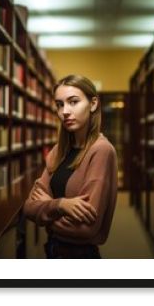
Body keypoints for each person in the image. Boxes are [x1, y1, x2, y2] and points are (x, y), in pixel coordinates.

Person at [23, 74, 118, 258]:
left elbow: (86, 228)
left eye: (73, 102)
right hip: (52, 250)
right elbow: (29, 207)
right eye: (59, 104)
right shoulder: (58, 151)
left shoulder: (102, 151)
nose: (65, 111)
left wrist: (46, 210)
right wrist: (61, 205)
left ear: (93, 104)